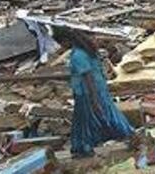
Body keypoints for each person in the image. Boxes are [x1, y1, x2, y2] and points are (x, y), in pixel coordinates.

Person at [54, 28, 134, 157]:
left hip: (87, 93)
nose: (61, 47)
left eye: (61, 44)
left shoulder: (77, 56)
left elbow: (88, 78)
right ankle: (128, 136)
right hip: (99, 89)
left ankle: (84, 146)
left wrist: (94, 99)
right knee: (107, 114)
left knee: (87, 120)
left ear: (66, 41)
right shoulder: (86, 50)